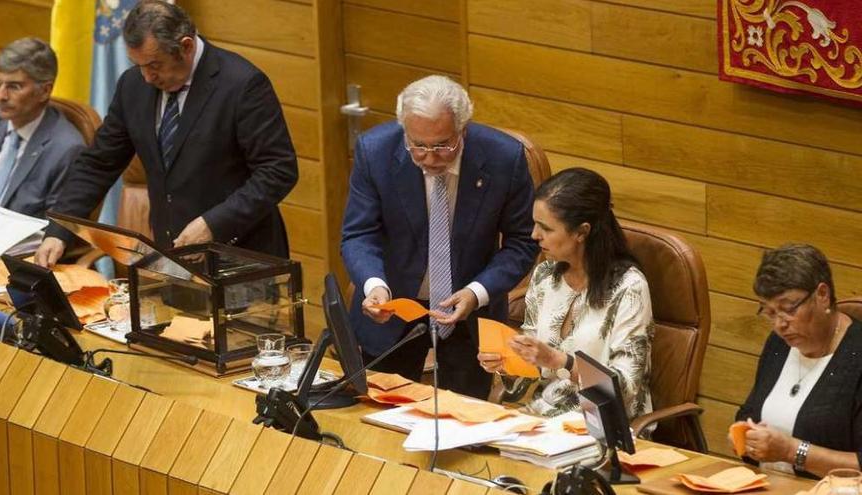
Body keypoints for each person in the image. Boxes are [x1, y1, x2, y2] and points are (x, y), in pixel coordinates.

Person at [35, 0, 297, 266]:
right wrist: (59, 229)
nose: (148, 77)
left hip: (242, 256)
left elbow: (278, 171)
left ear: (186, 46)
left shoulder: (242, 84)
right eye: (139, 65)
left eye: (154, 65)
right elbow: (98, 164)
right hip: (172, 256)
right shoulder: (132, 86)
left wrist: (214, 223)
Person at [341, 75, 538, 400]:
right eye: (417, 146)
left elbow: (522, 241)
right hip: (393, 310)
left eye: (442, 145)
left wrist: (477, 292)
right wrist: (374, 286)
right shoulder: (375, 151)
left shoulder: (505, 158)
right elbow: (359, 233)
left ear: (463, 128)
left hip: (470, 315)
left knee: (462, 427)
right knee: (379, 414)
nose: (430, 158)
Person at [478, 167, 654, 420]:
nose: (534, 235)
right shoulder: (545, 276)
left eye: (546, 229)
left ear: (582, 232)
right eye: (535, 224)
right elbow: (531, 374)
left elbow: (623, 390)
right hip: (543, 419)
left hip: (602, 425)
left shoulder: (629, 288)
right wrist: (507, 364)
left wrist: (561, 361)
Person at [734, 244, 862, 479]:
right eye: (770, 312)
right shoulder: (779, 344)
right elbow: (749, 412)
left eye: (788, 308)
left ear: (822, 295)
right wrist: (745, 437)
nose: (780, 324)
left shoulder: (858, 357)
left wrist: (792, 451)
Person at [0, 37, 84, 218]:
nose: (1, 96)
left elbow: (55, 226)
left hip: (14, 243)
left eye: (14, 86)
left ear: (45, 91)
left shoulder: (66, 149)